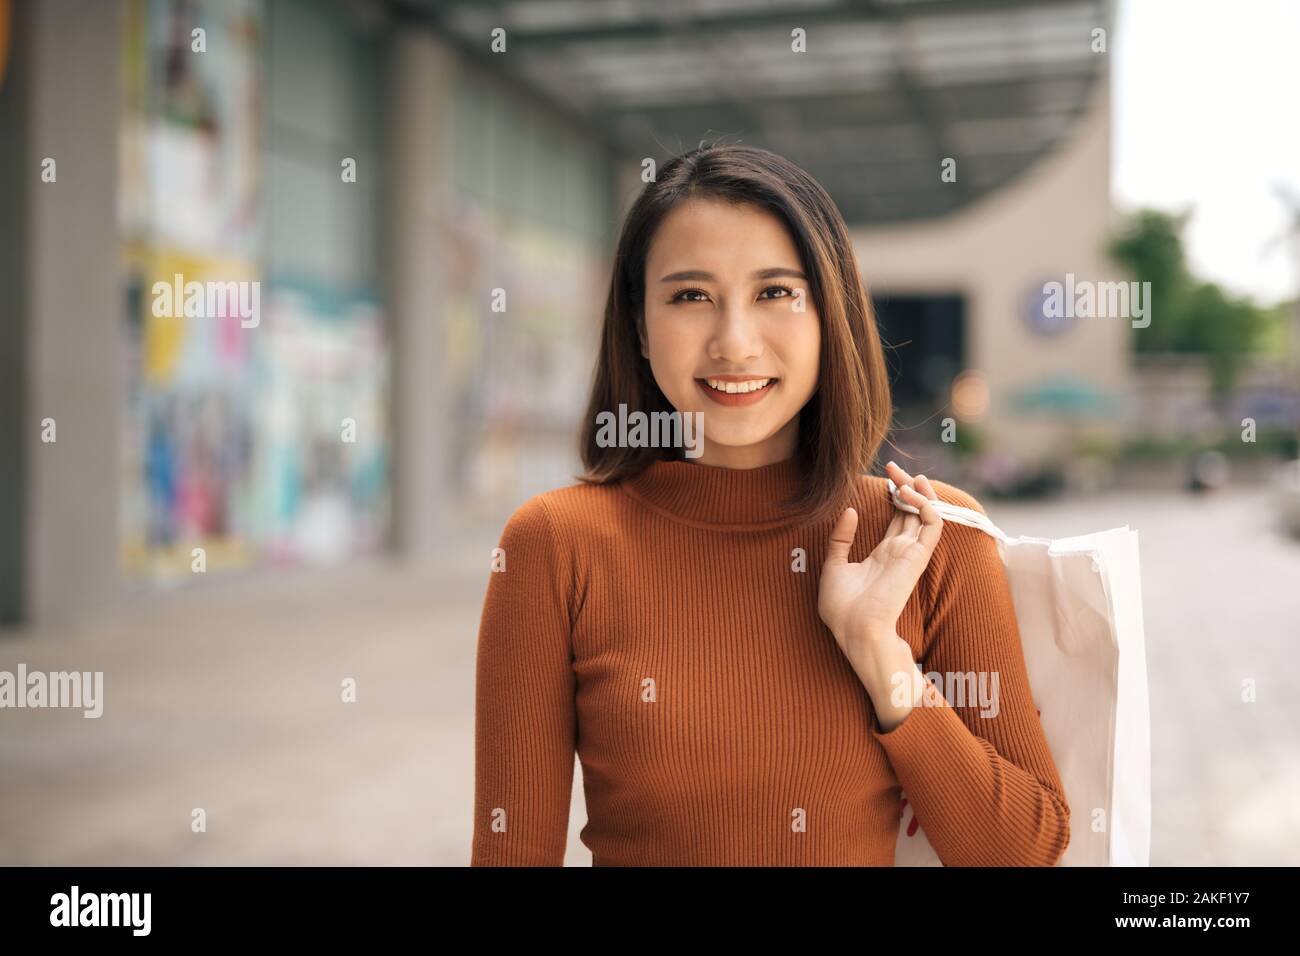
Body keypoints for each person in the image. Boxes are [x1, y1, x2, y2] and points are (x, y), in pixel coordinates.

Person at [471, 143, 1069, 867]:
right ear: (638, 324)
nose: (734, 342)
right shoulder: (554, 544)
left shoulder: (925, 536)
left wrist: (881, 656)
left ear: (831, 313)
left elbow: (1024, 851)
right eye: (691, 296)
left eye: (776, 292)